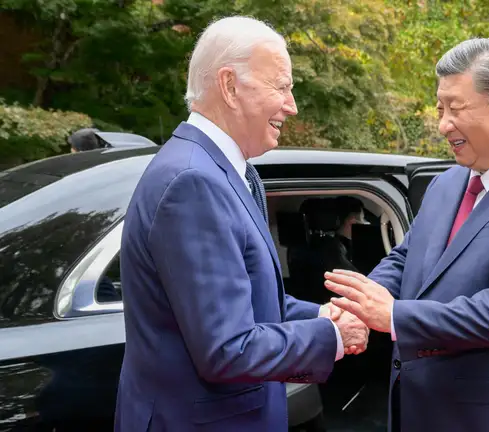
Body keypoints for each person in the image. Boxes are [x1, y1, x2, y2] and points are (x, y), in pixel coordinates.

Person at [324, 38, 489, 432]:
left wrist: (395, 316)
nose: (443, 125)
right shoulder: (446, 183)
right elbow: (408, 258)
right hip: (415, 404)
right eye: (440, 110)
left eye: (456, 109)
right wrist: (359, 302)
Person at [114, 16, 368, 432]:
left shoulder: (231, 171)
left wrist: (322, 314)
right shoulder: (193, 182)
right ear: (230, 86)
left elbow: (252, 302)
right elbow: (227, 349)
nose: (292, 105)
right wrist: (334, 337)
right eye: (281, 86)